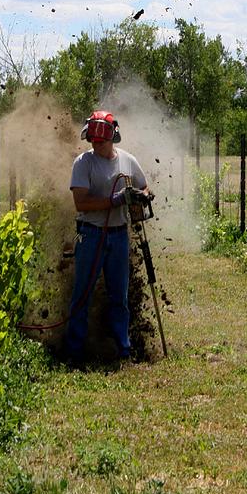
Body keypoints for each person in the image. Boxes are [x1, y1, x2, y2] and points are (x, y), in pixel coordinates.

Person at [65, 110, 150, 365]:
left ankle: (122, 349)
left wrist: (142, 195)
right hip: (91, 235)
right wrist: (114, 200)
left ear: (112, 138)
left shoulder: (128, 160)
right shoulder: (83, 163)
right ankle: (75, 351)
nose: (95, 145)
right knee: (83, 293)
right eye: (93, 141)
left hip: (119, 235)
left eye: (100, 141)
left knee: (119, 296)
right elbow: (80, 203)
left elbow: (144, 185)